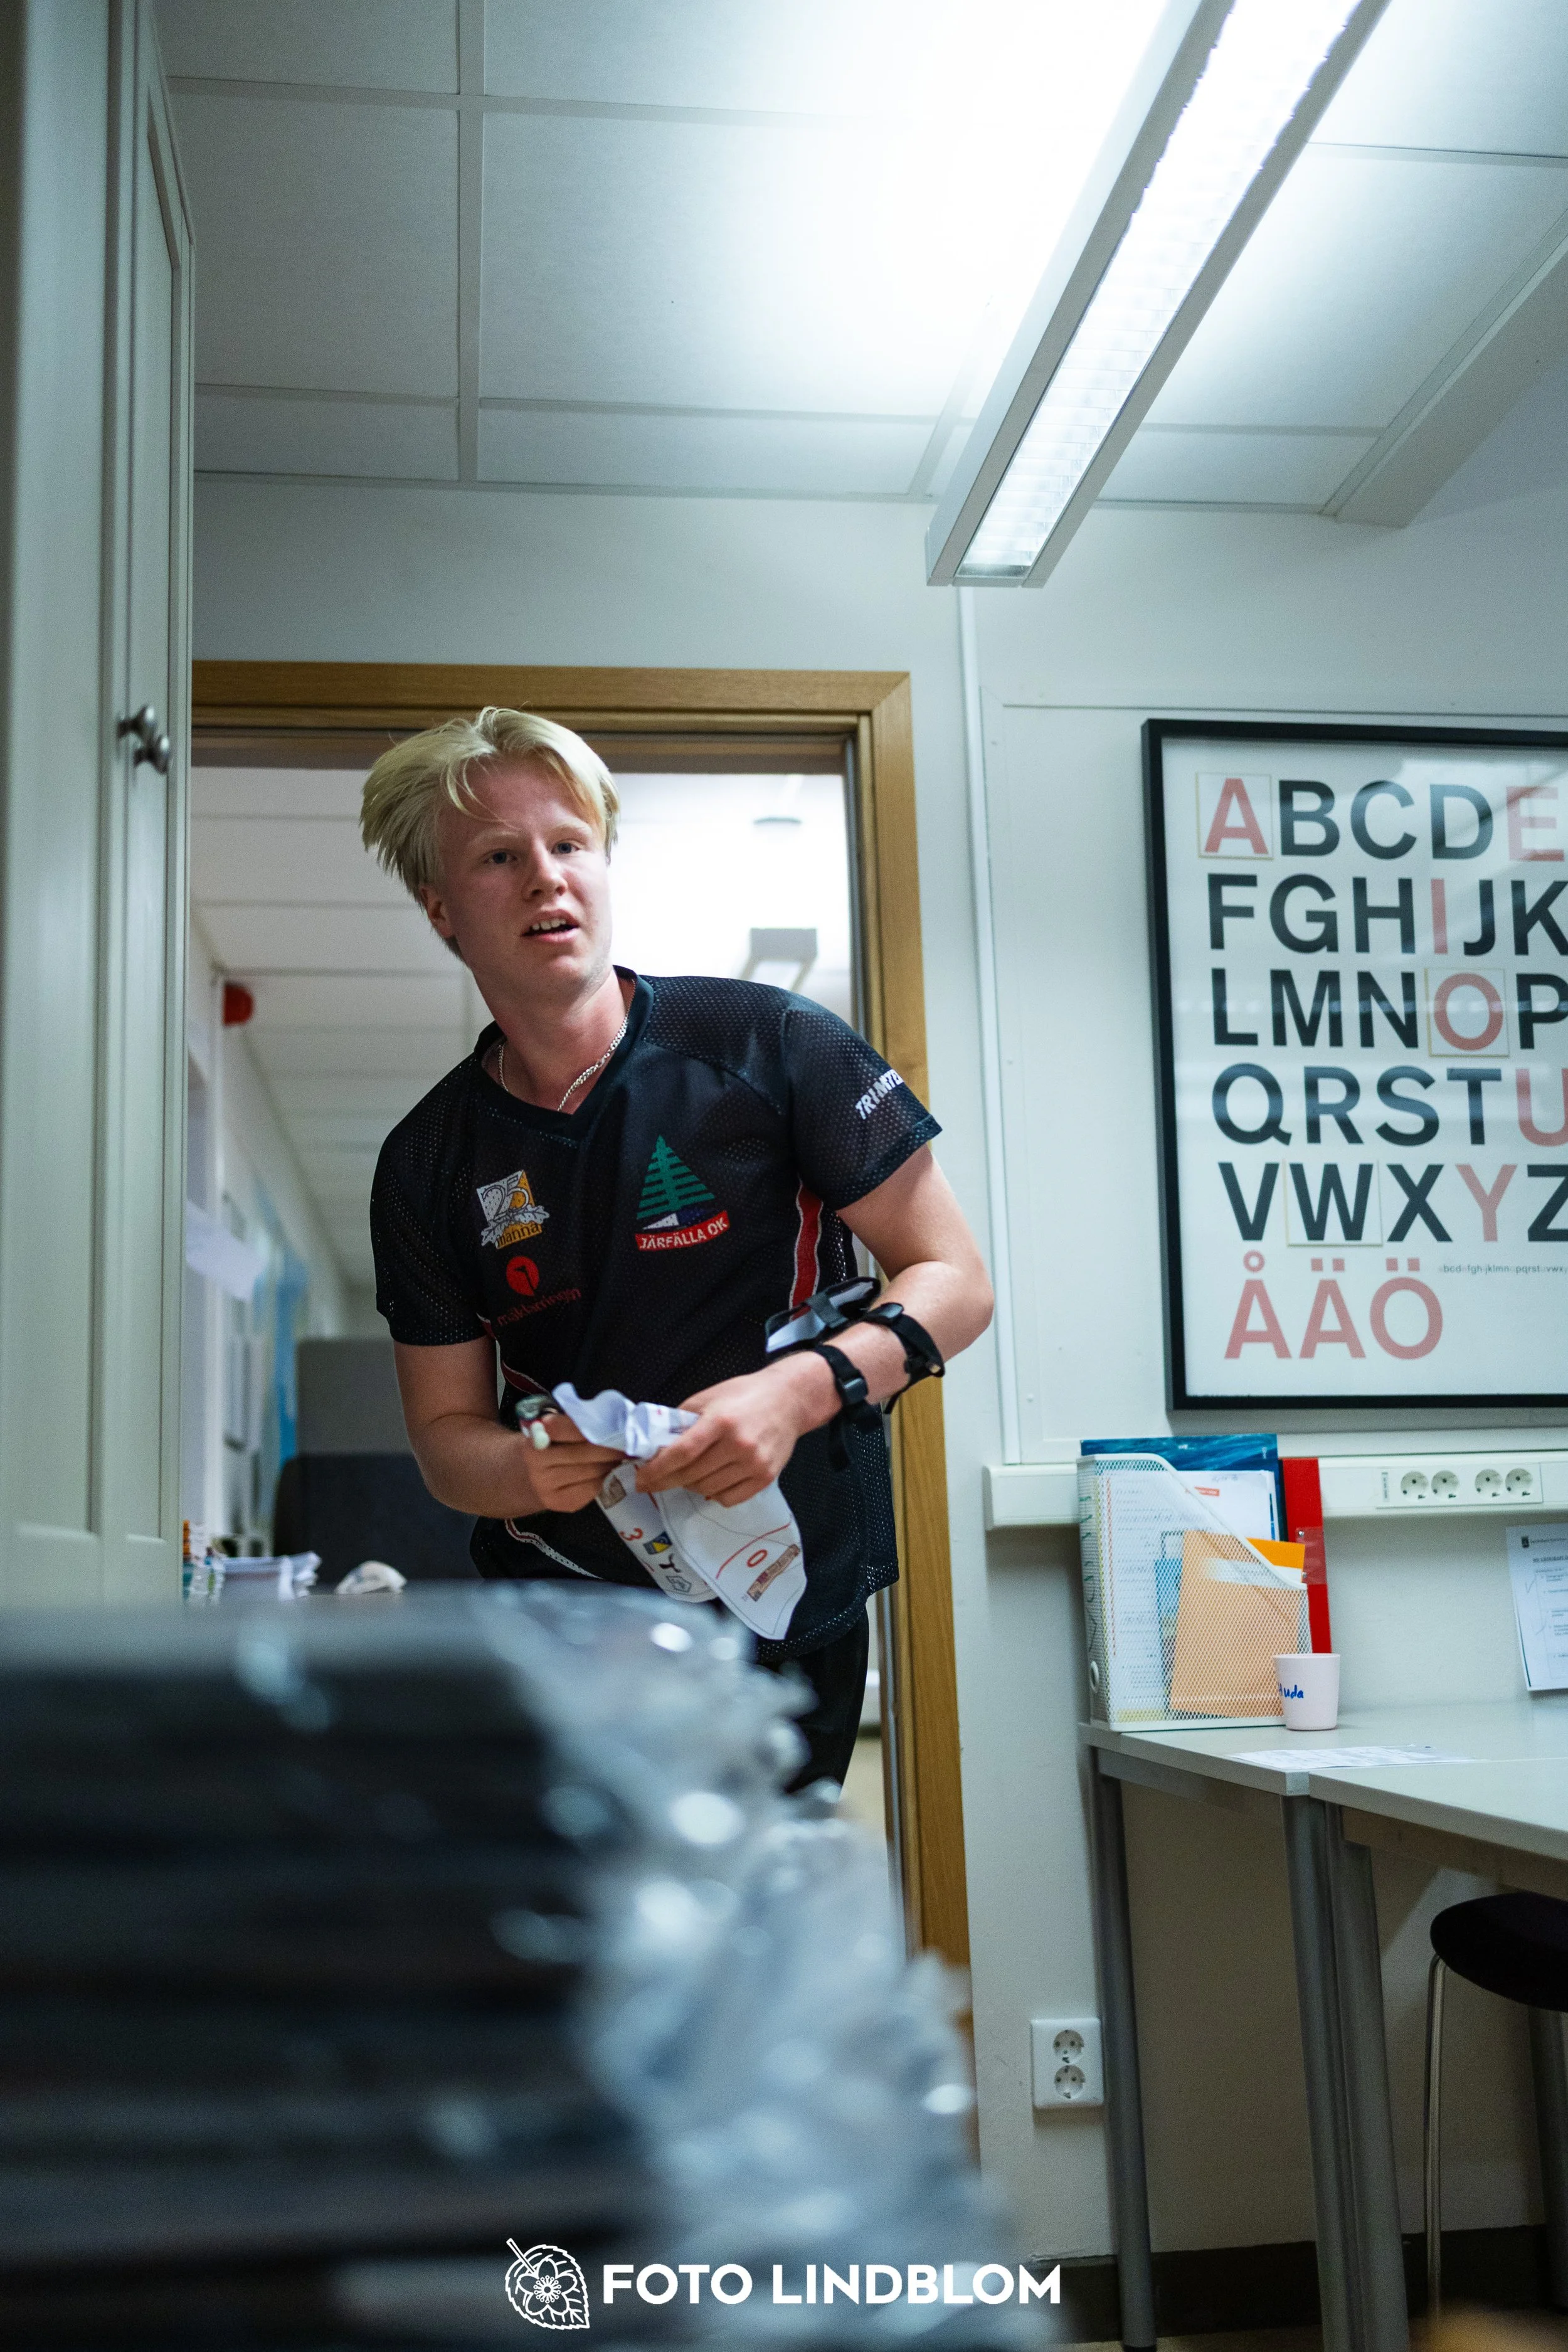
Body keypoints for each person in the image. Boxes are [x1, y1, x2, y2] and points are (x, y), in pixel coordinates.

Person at [363, 708, 993, 1789]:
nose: (545, 879)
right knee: (593, 1938)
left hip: (791, 1585)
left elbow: (957, 1283)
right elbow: (444, 1435)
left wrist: (797, 1394)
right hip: (568, 1608)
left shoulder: (770, 1045)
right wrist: (523, 1468)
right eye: (500, 857)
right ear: (441, 912)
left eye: (569, 844)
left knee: (764, 1915)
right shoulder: (427, 1162)